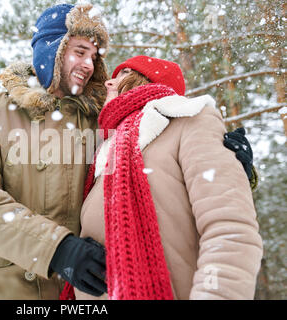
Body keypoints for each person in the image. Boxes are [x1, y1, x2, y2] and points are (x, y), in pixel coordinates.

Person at [0, 3, 255, 300]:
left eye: (94, 56)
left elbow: (158, 172)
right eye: (79, 52)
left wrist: (227, 164)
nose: (89, 64)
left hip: (80, 292)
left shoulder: (105, 122)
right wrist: (55, 248)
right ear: (50, 50)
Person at [60, 56, 263, 300]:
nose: (109, 83)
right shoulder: (102, 153)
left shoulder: (190, 120)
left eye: (123, 74)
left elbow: (230, 230)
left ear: (147, 80)